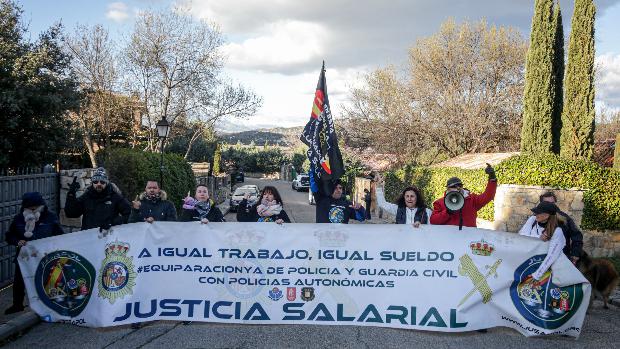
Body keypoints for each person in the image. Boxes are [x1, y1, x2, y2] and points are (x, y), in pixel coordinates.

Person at [4, 192, 64, 314]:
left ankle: (51, 303)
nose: (32, 210)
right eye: (29, 208)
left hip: (45, 255)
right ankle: (17, 305)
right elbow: (9, 235)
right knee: (19, 281)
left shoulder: (50, 217)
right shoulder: (19, 219)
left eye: (35, 207)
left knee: (48, 279)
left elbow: (59, 235)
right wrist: (17, 241)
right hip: (24, 256)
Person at [430, 164, 497, 228]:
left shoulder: (472, 199)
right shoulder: (439, 203)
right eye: (453, 186)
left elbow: (488, 196)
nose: (457, 188)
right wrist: (447, 212)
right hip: (449, 237)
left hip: (469, 237)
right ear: (448, 188)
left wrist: (492, 178)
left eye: (460, 185)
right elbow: (433, 221)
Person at [64, 167, 131, 231]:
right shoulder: (87, 196)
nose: (99, 184)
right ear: (92, 182)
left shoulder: (115, 196)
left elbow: (129, 213)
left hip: (108, 237)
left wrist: (113, 223)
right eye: (95, 181)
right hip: (89, 238)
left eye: (102, 182)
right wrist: (71, 194)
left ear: (106, 183)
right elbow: (71, 213)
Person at [518, 201, 567, 282]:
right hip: (528, 262)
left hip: (546, 270)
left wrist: (536, 275)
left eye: (538, 212)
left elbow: (551, 257)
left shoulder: (557, 231)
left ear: (547, 215)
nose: (535, 214)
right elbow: (522, 237)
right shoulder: (532, 220)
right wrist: (539, 238)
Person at [539, 191, 583, 265]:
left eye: (552, 203)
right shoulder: (535, 218)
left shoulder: (565, 218)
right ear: (541, 204)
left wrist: (575, 253)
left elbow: (577, 235)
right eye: (547, 203)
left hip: (561, 258)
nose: (550, 206)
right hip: (539, 258)